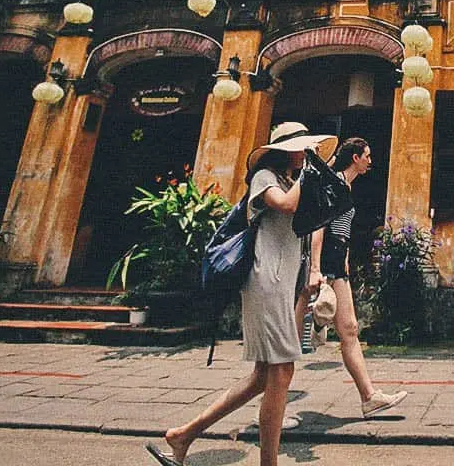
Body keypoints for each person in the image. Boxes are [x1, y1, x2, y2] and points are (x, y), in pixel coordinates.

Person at [146, 122, 336, 466]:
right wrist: (309, 172)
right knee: (281, 373)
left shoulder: (295, 181)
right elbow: (288, 206)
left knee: (263, 377)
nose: (307, 154)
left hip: (284, 283)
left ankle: (182, 435)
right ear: (285, 150)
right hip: (265, 281)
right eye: (302, 148)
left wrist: (313, 271)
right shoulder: (266, 177)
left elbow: (315, 223)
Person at [305, 136, 408, 418]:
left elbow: (342, 231)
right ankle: (269, 402)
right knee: (288, 341)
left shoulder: (345, 186)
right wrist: (316, 269)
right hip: (325, 262)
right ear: (355, 158)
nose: (370, 160)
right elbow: (319, 227)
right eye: (367, 155)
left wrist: (346, 262)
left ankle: (369, 397)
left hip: (338, 263)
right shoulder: (335, 183)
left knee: (349, 329)